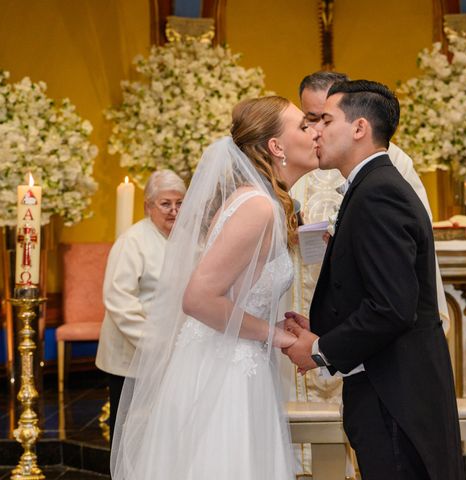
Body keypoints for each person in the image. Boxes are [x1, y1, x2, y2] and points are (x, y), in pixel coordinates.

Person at [110, 96, 319, 480]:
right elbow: (199, 299)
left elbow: (238, 292)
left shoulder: (260, 201)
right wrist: (279, 337)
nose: (315, 132)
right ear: (277, 147)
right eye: (304, 127)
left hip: (233, 359)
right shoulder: (258, 206)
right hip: (223, 373)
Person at [283, 80, 463, 479]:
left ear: (359, 128)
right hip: (389, 390)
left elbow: (393, 308)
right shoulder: (371, 186)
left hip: (396, 400)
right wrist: (321, 328)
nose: (315, 131)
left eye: (326, 120)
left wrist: (321, 349)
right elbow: (378, 294)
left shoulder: (379, 192)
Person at [96, 169, 186, 440]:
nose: (173, 211)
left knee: (158, 432)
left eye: (179, 203)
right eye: (165, 203)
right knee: (128, 431)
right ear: (149, 206)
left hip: (171, 352)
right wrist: (155, 345)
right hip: (132, 355)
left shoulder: (185, 240)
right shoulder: (132, 241)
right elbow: (119, 300)